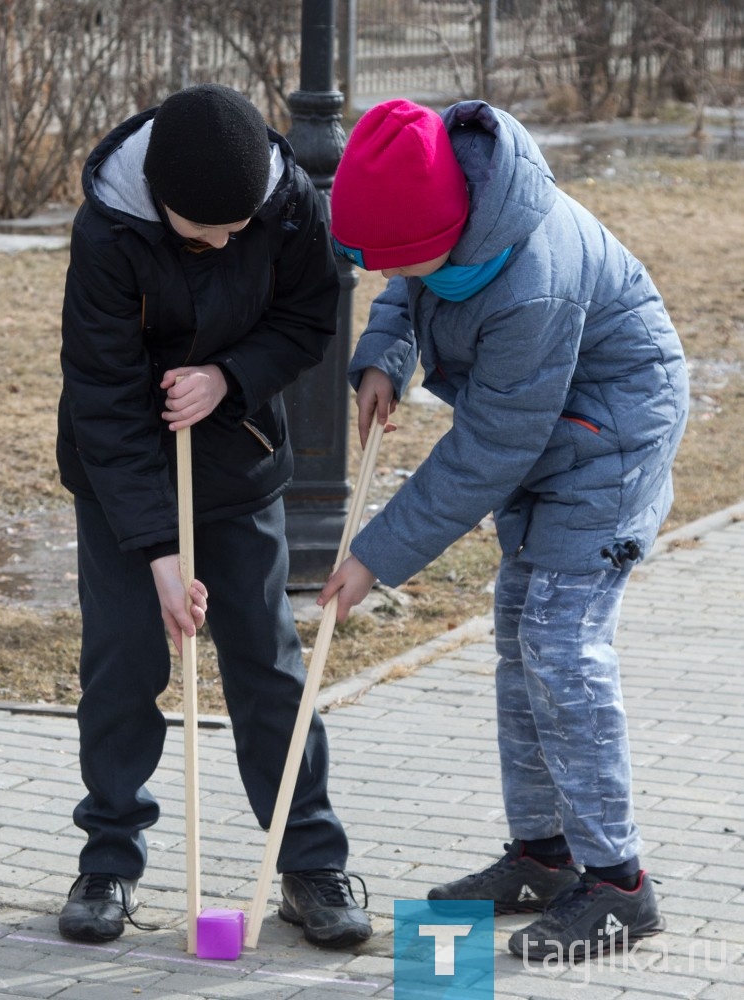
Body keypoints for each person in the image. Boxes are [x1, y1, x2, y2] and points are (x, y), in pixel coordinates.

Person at [322, 97, 689, 960]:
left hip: (608, 443)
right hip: (555, 431)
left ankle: (617, 885)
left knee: (562, 647)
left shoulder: (535, 279)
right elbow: (406, 279)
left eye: (417, 256)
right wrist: (386, 354)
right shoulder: (446, 200)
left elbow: (489, 449)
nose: (407, 271)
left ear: (460, 223)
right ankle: (544, 857)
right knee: (517, 636)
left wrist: (375, 556)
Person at [55, 83, 372, 950]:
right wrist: (156, 552)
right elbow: (103, 398)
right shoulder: (108, 232)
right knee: (123, 662)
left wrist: (228, 376)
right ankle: (109, 860)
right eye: (208, 233)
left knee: (266, 662)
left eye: (241, 228)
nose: (231, 242)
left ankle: (307, 861)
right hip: (121, 468)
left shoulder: (285, 201)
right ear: (162, 206)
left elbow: (311, 314)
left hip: (235, 458)